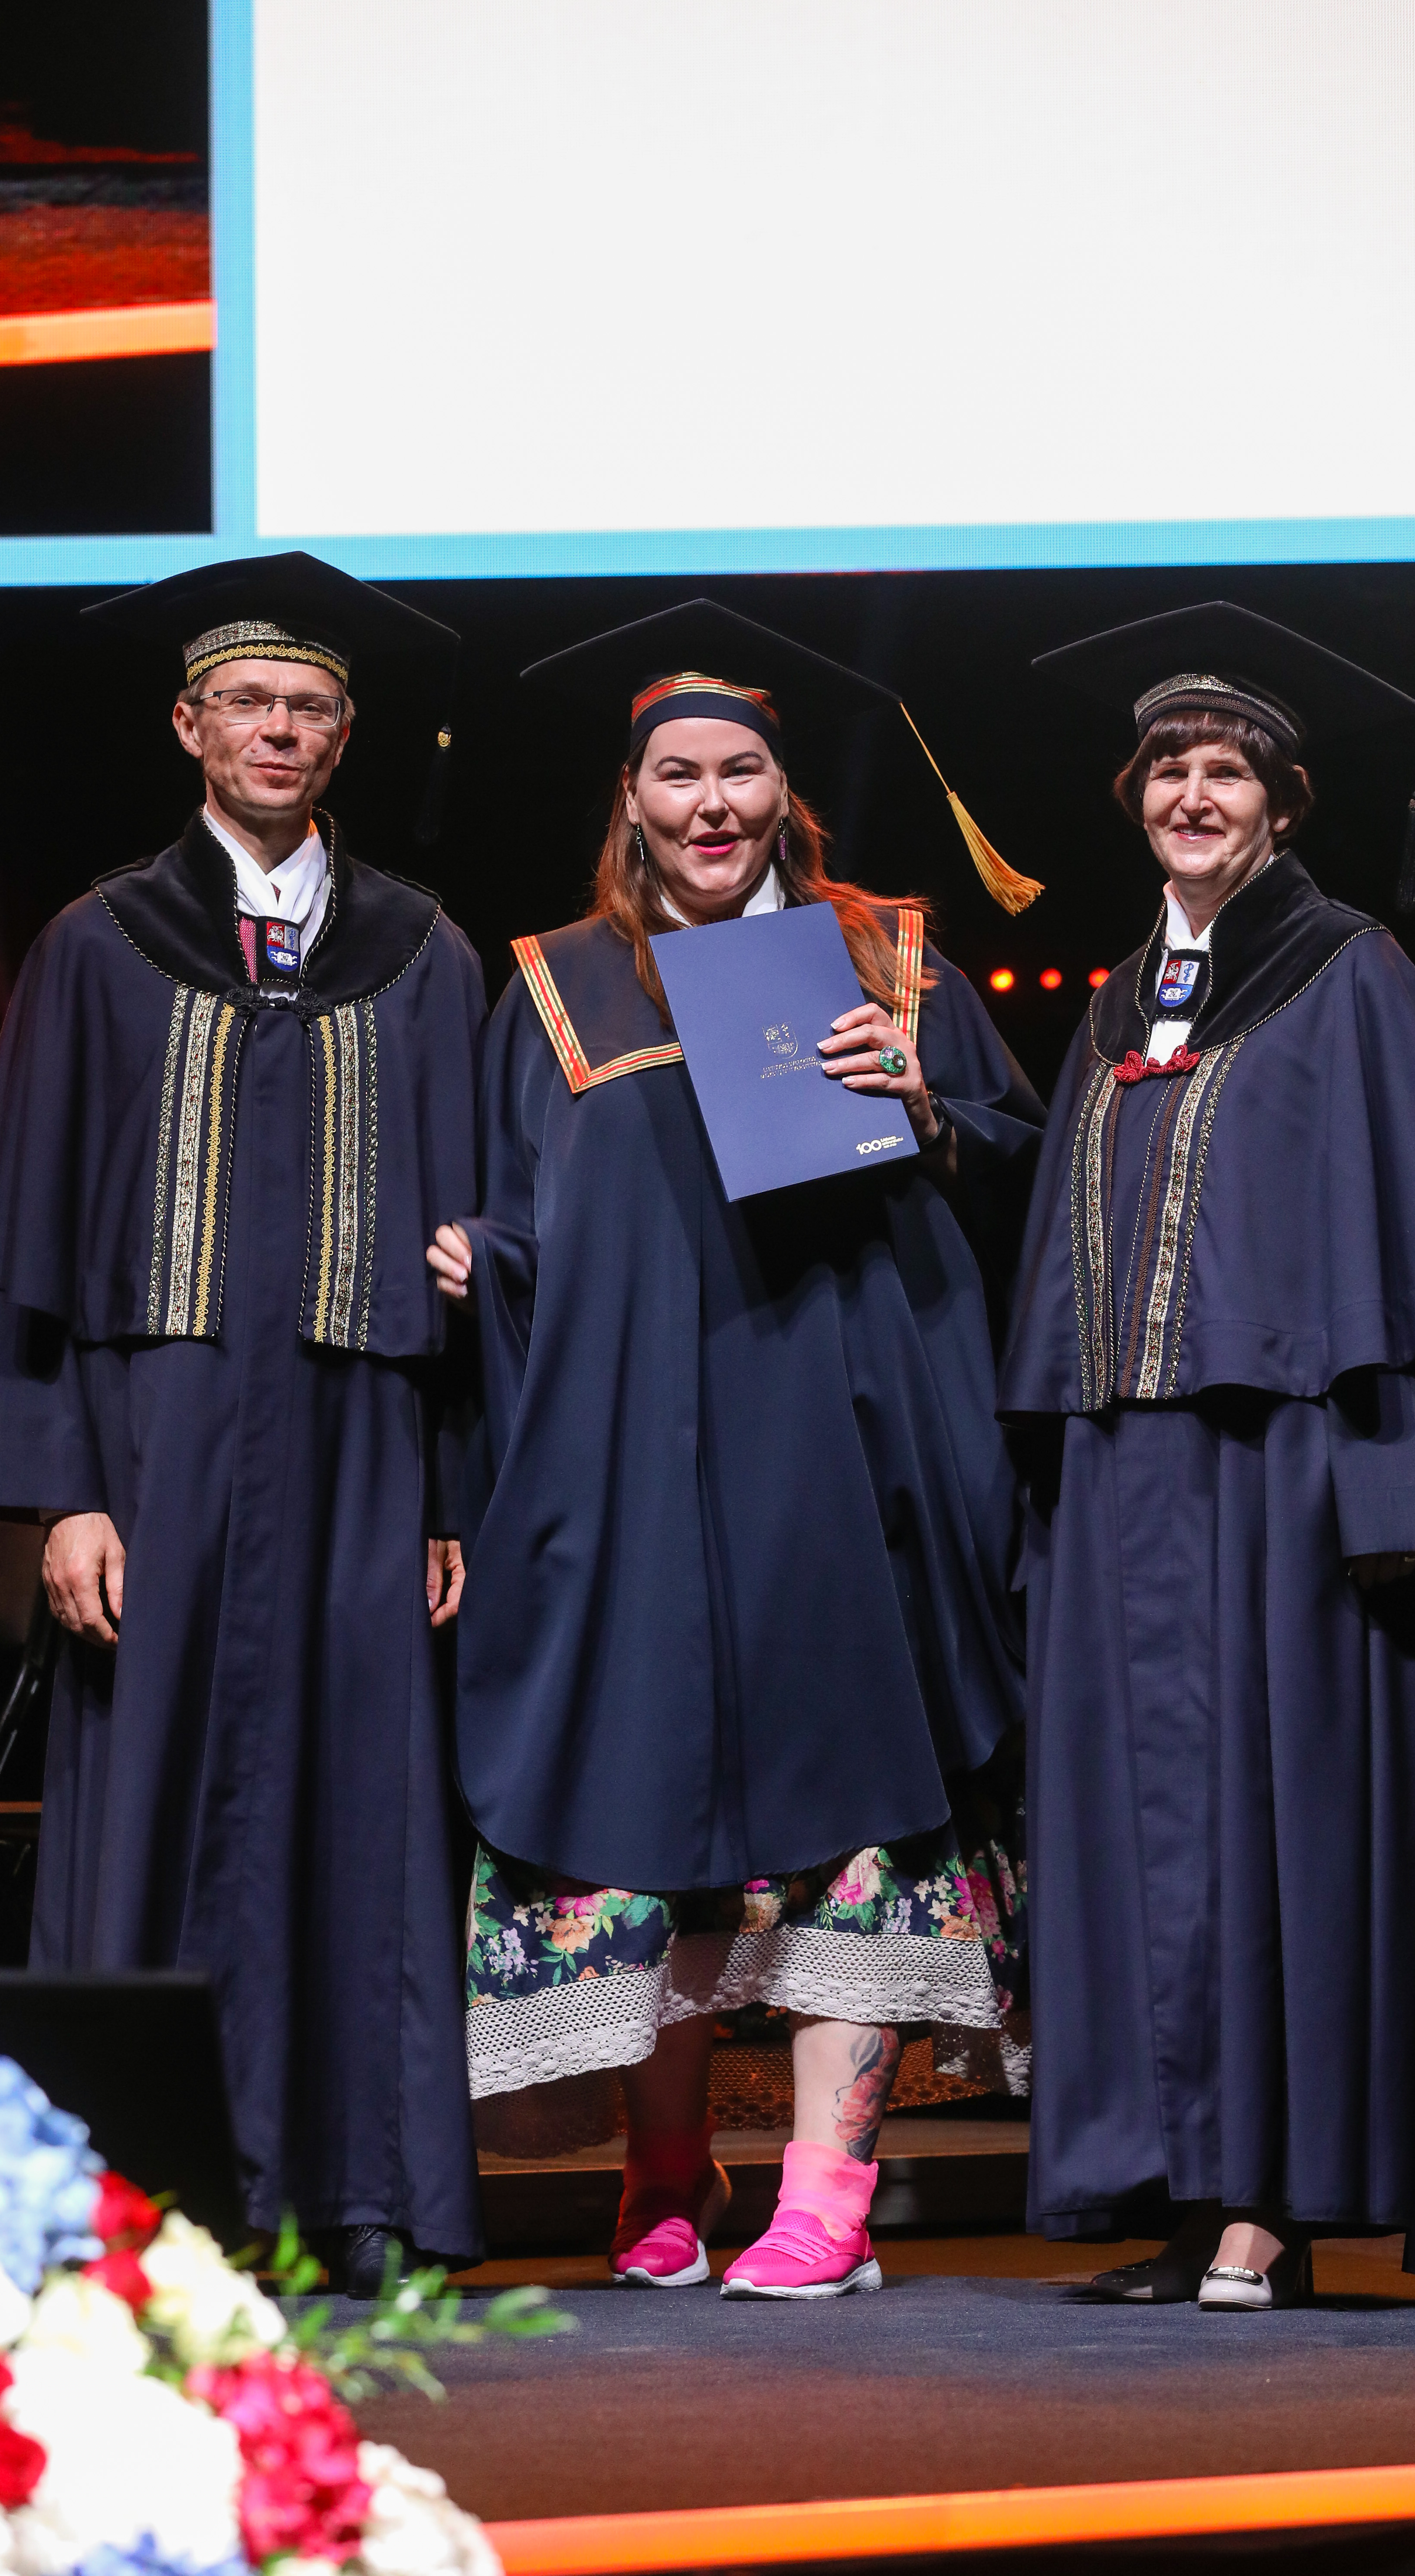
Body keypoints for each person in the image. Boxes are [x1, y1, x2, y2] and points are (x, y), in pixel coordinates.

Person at [428, 602, 1042, 2298]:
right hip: (634, 1461)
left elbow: (1030, 1175)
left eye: (741, 772)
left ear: (786, 793)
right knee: (652, 1799)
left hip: (848, 1463)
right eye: (678, 775)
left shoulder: (891, 959)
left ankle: (831, 2193)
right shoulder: (553, 981)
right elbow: (534, 1204)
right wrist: (484, 1257)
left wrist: (927, 1105)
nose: (711, 803)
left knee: (861, 1811)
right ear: (631, 798)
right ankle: (667, 2163)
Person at [0, 552, 488, 2291]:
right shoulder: (100, 946)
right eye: (249, 702)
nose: (279, 730)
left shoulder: (424, 955)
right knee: (146, 1805)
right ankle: (139, 2199)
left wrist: (448, 1493)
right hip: (152, 1449)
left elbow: (473, 1242)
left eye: (310, 707)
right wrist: (61, 1496)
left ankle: (363, 2192)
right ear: (190, 725)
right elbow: (28, 1249)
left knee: (365, 1801)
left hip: (362, 1447)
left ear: (344, 737)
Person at [1000, 602, 1415, 2309]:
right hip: (1126, 1483)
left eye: (1226, 770)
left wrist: (1399, 1482)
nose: (1192, 793)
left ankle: (1269, 2202)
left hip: (1275, 1481)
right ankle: (1177, 2187)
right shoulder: (1115, 1003)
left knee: (1269, 1828)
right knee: (1133, 1837)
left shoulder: (1346, 974)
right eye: (1168, 767)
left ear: (1281, 803)